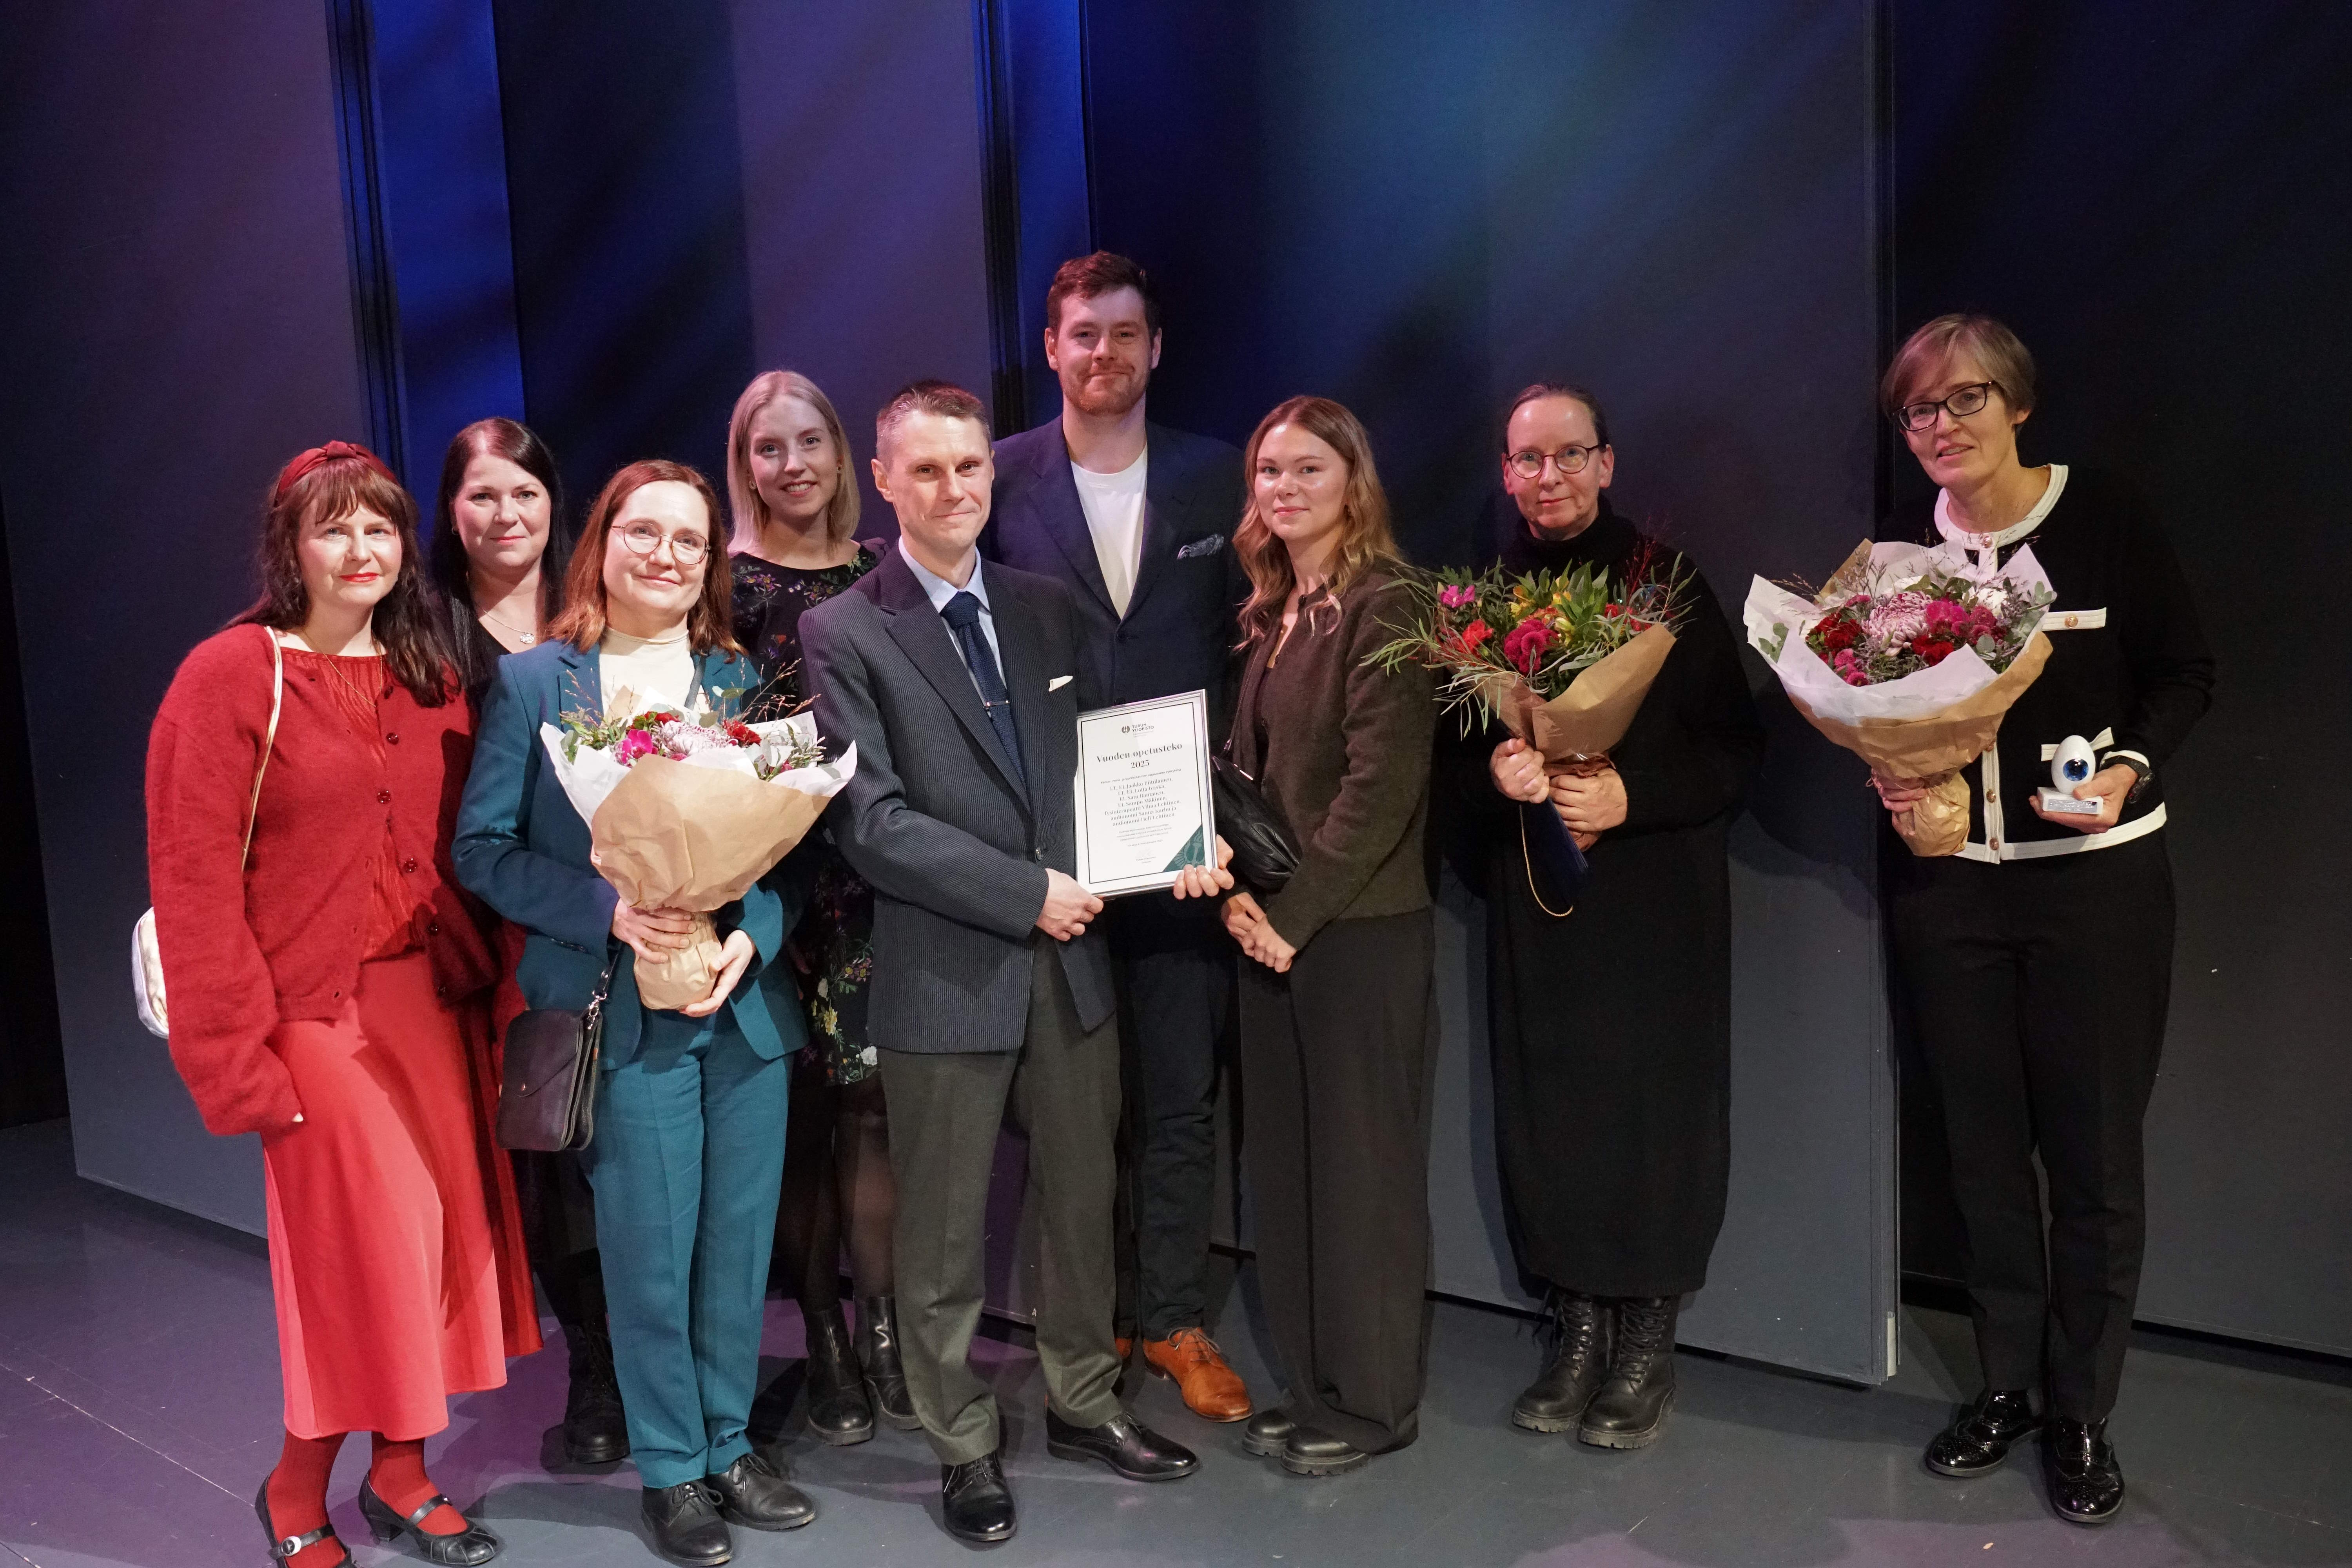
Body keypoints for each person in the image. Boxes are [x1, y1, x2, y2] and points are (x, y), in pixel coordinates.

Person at [800, 381, 1198, 1546]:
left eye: (969, 466)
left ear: (992, 471)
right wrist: (1028, 895)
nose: (952, 489)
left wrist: (1178, 836)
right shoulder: (845, 631)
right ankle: (962, 1439)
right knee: (939, 1233)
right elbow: (872, 824)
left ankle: (1082, 1399)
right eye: (925, 470)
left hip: (1072, 965)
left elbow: (1108, 760)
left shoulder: (1044, 606)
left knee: (1081, 1201)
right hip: (946, 968)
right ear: (884, 481)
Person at [146, 441, 537, 1568]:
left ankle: (402, 1471)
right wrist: (236, 1061)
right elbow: (192, 880)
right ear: (291, 547)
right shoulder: (232, 674)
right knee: (364, 1250)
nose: (361, 548)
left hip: (432, 1004)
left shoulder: (426, 669)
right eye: (334, 528)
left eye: (379, 526)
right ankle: (295, 1484)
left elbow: (472, 848)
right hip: (313, 1016)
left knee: (435, 1247)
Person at [1868, 315, 2212, 1526]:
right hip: (1953, 888)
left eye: (1966, 398)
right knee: (1979, 1152)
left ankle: (2082, 1411)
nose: (1942, 424)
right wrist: (1891, 771)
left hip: (2095, 887)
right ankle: (2006, 1384)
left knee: (2094, 1160)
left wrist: (2128, 766)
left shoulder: (2101, 515)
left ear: (2017, 404)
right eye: (1920, 409)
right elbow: (1884, 705)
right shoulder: (1904, 554)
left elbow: (2186, 672)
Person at [454, 460, 819, 1564]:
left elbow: (790, 848)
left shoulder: (738, 675)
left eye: (690, 541)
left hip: (739, 1006)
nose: (667, 555)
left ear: (711, 563)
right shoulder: (537, 683)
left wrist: (754, 934)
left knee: (736, 1245)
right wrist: (607, 910)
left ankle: (729, 1443)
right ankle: (671, 1466)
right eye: (644, 532)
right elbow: (483, 849)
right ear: (602, 543)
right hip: (620, 1010)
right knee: (650, 1249)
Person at [983, 252, 1253, 1420]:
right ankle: (1085, 1324)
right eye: (1084, 334)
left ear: (1156, 349)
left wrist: (1229, 820)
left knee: (1182, 1096)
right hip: (1053, 852)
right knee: (1070, 1111)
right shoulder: (998, 477)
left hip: (1184, 848)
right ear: (1052, 348)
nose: (1105, 353)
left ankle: (1174, 1318)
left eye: (1125, 334)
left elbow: (1250, 645)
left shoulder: (1217, 476)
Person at [1476, 385, 1764, 1450]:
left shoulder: (1665, 585)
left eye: (1569, 454)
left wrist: (1632, 797)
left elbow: (1737, 755)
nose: (1547, 476)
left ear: (1606, 463)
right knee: (1551, 1112)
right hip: (1541, 900)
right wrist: (1498, 776)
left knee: (1654, 1114)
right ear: (1506, 473)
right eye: (1528, 459)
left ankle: (1646, 1339)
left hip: (1656, 908)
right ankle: (1577, 1330)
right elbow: (1447, 770)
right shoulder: (1483, 605)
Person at [1199, 396, 1437, 1479]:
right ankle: (1314, 1387)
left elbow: (1380, 793)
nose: (1284, 488)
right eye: (1269, 471)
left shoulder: (1389, 603)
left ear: (1353, 482)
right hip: (1273, 928)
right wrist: (1236, 895)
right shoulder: (1274, 609)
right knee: (1291, 1175)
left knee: (1361, 1177)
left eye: (1308, 469)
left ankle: (1373, 1404)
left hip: (1357, 935)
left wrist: (1287, 921)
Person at [426, 417, 626, 1467]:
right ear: (450, 511)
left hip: (619, 919)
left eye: (526, 494)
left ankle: (657, 1360)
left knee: (623, 1149)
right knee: (552, 1153)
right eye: (483, 495)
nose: (507, 516)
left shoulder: (603, 620)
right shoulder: (422, 635)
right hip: (489, 929)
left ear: (558, 503)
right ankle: (594, 1367)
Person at [722, 369, 913, 1445]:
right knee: (800, 1125)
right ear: (744, 465)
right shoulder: (724, 588)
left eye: (809, 442)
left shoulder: (885, 569)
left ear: (844, 456)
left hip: (880, 882)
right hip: (774, 890)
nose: (792, 464)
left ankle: (884, 1331)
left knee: (872, 1113)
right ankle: (826, 1339)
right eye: (769, 447)